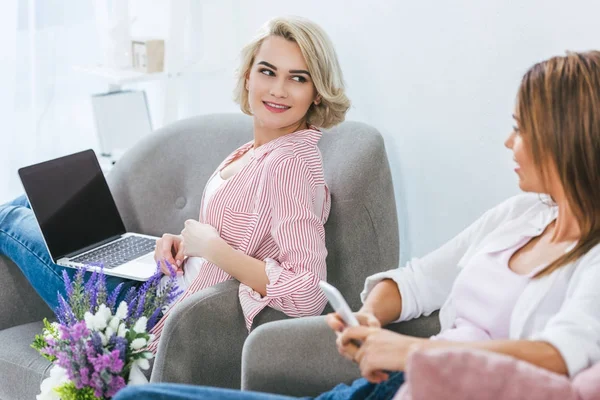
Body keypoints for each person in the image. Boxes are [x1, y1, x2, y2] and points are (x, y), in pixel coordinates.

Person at [115, 49, 600, 400]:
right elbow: (414, 281)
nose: (508, 143)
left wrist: (408, 354)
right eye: (266, 72)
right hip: (394, 384)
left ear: (565, 137)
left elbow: (561, 355)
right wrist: (370, 319)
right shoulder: (522, 215)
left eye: (521, 128)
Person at [0, 15, 351, 354]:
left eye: (298, 78)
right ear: (247, 77)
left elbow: (307, 293)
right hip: (158, 279)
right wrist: (184, 245)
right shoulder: (258, 150)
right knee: (27, 202)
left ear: (317, 94)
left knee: (8, 219)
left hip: (143, 310)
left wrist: (214, 250)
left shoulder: (289, 164)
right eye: (267, 71)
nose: (278, 89)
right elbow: (248, 234)